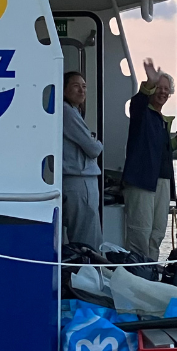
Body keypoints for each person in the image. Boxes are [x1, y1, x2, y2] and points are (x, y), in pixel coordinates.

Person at [120, 58, 176, 261]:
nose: (162, 92)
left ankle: (151, 271)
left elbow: (163, 149)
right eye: (158, 87)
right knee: (140, 233)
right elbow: (136, 104)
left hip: (162, 182)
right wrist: (148, 84)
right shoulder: (142, 113)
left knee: (157, 233)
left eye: (166, 89)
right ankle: (135, 274)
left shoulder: (161, 120)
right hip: (141, 181)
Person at [62, 71, 104, 250]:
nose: (82, 90)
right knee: (87, 240)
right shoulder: (66, 111)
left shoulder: (72, 111)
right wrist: (97, 142)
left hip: (75, 183)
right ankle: (87, 275)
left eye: (84, 86)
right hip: (80, 183)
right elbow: (93, 149)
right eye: (76, 86)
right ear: (64, 90)